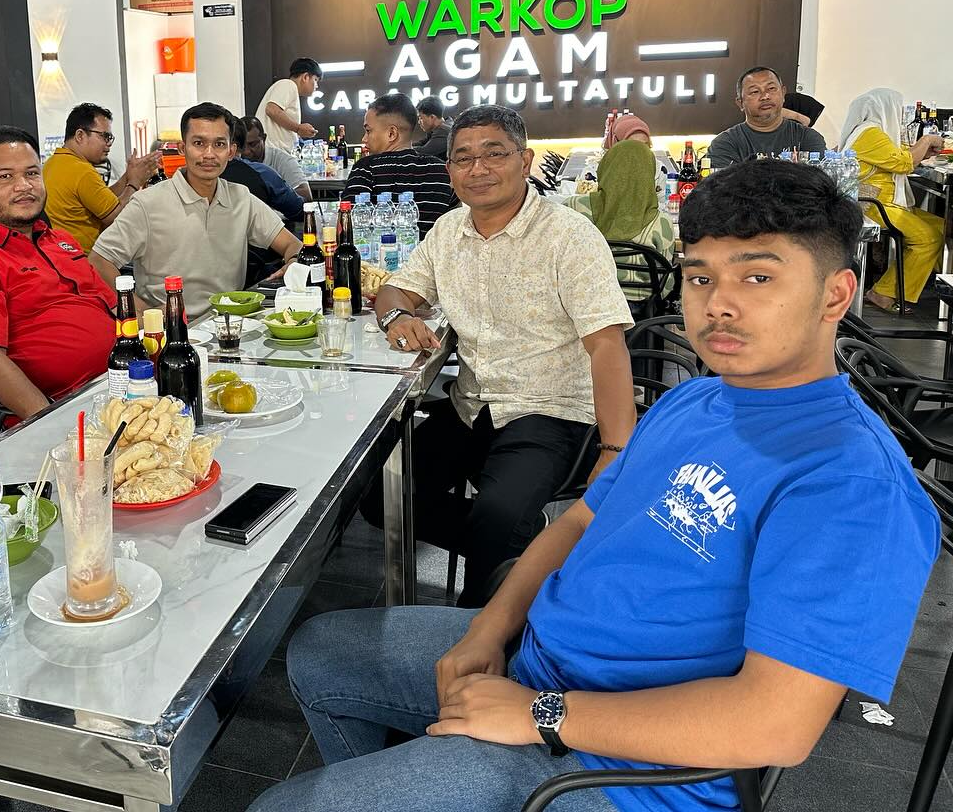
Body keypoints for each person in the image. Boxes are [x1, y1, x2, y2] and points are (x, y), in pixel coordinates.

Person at [252, 159, 938, 812]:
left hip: (618, 771)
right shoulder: (695, 403)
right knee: (320, 653)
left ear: (836, 294)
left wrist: (541, 715)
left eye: (757, 279)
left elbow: (775, 726)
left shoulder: (850, 483)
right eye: (700, 278)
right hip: (540, 665)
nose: (718, 306)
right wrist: (487, 631)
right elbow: (579, 523)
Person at [367, 105, 636, 607]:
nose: (478, 169)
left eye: (495, 154)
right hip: (473, 404)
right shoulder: (449, 231)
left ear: (525, 159)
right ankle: (529, 551)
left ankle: (480, 633)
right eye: (463, 158)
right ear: (449, 170)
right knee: (379, 494)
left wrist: (615, 452)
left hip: (549, 411)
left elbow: (607, 345)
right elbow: (396, 291)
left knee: (497, 517)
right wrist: (396, 317)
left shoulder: (569, 236)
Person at [0, 128, 117, 422]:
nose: (23, 186)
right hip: (67, 411)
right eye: (5, 177)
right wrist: (50, 425)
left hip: (123, 385)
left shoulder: (58, 240)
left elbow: (117, 307)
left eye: (31, 173)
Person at [91, 102, 301, 320]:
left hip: (230, 324)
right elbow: (98, 262)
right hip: (171, 333)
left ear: (231, 151)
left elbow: (291, 244)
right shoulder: (148, 203)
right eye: (199, 143)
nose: (209, 154)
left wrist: (294, 259)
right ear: (182, 149)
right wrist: (144, 311)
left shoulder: (241, 198)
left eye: (219, 144)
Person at [838, 87, 943, 313]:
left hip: (886, 202)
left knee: (943, 227)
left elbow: (899, 156)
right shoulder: (870, 134)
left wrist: (921, 151)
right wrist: (926, 140)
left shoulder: (875, 132)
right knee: (928, 238)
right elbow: (904, 163)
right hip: (872, 204)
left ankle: (936, 287)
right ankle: (884, 293)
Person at [42, 103, 161, 253]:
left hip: (60, 254)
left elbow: (102, 199)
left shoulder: (53, 163)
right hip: (83, 259)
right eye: (105, 136)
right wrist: (135, 183)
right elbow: (115, 216)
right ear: (80, 135)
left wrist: (128, 176)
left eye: (110, 137)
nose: (108, 144)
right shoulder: (81, 171)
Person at [567, 141, 677, 305]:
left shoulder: (573, 208)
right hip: (642, 310)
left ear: (605, 168)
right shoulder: (661, 222)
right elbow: (665, 279)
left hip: (584, 302)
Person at [343, 93, 459, 237]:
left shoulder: (366, 169)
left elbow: (347, 226)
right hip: (435, 258)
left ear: (392, 133)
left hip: (376, 258)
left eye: (368, 131)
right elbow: (457, 224)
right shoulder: (442, 171)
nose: (364, 138)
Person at [708, 66, 826, 167]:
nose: (765, 96)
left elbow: (817, 187)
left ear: (783, 94)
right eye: (755, 91)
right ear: (740, 103)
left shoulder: (808, 138)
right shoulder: (725, 143)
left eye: (771, 88)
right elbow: (725, 189)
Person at [226, 118, 305, 221]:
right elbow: (298, 210)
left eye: (252, 144)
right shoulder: (263, 173)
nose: (247, 151)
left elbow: (300, 205)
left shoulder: (272, 166)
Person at [255, 58, 322, 155]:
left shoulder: (288, 88)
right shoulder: (288, 85)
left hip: (276, 152)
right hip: (274, 153)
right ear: (305, 77)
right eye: (315, 80)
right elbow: (271, 109)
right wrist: (298, 128)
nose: (317, 86)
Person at [241, 115, 313, 200]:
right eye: (241, 146)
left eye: (252, 144)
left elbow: (306, 195)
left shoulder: (283, 160)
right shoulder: (231, 161)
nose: (246, 151)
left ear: (263, 139)